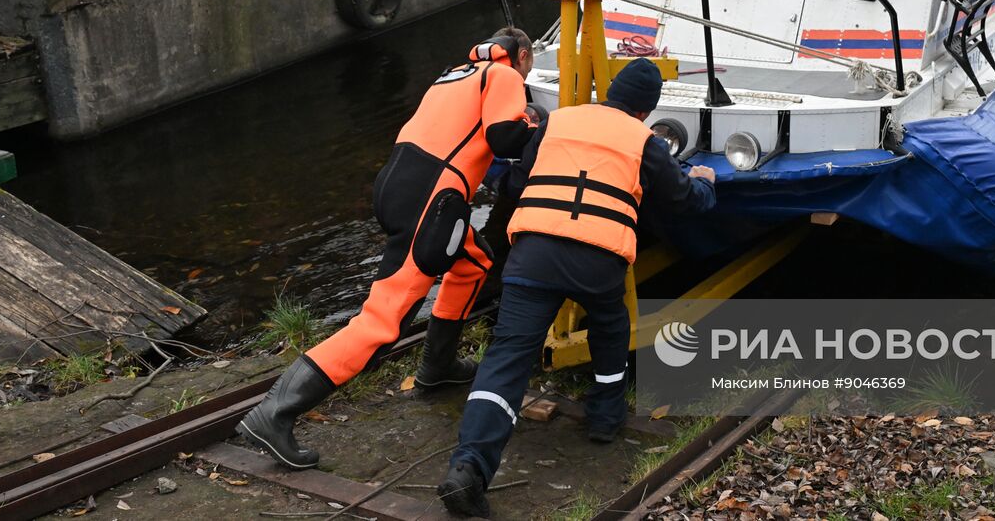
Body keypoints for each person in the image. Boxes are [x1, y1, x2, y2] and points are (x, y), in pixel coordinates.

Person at [236, 29, 538, 470]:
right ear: (524, 55)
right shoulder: (505, 75)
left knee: (474, 261)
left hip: (399, 182)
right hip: (433, 198)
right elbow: (504, 139)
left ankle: (438, 365)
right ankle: (275, 414)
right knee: (383, 321)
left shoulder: (455, 73)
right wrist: (532, 120)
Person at [437, 58, 717, 518]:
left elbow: (518, 180)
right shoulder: (644, 141)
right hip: (597, 259)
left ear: (610, 91)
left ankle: (468, 467)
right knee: (610, 326)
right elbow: (683, 200)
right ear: (646, 111)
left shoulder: (558, 122)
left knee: (507, 357)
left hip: (533, 254)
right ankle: (605, 420)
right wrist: (708, 184)